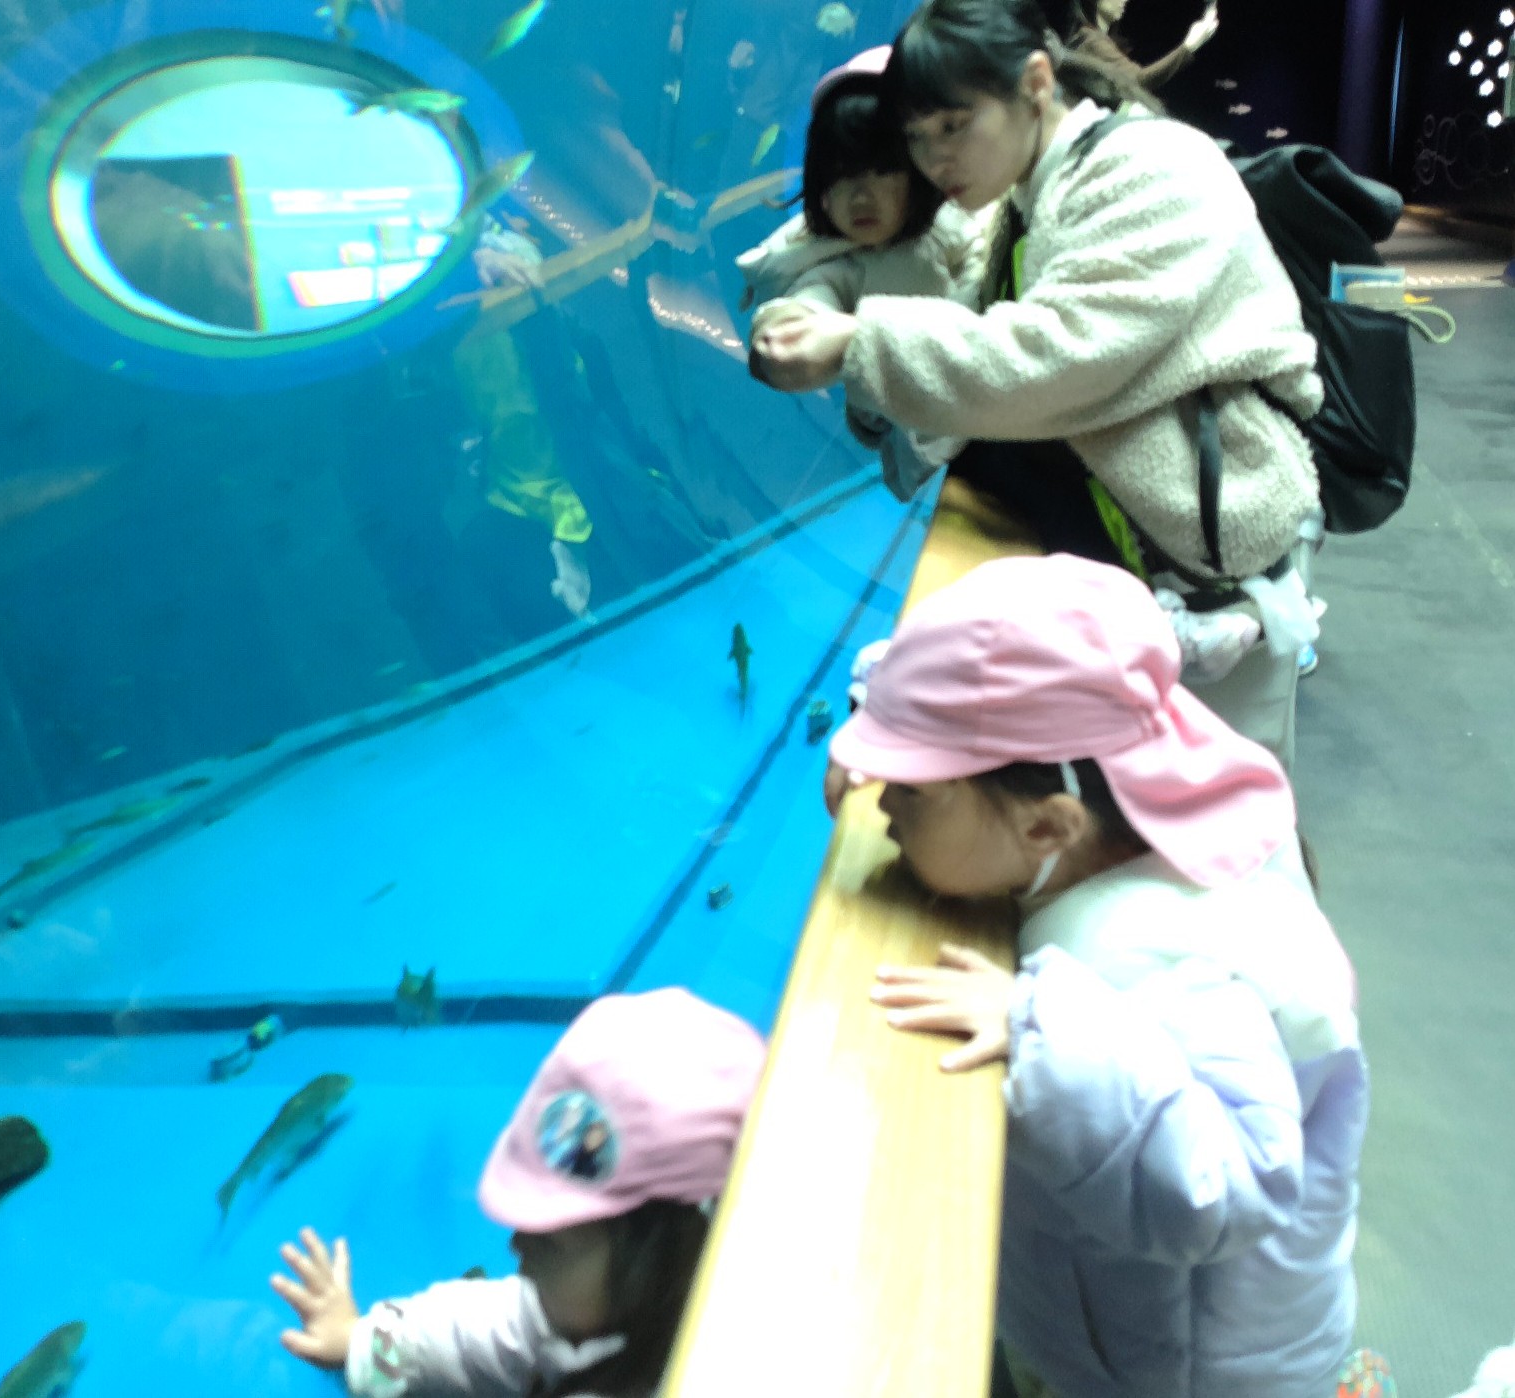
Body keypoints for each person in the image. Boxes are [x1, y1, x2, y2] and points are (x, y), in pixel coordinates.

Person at [822, 553, 1367, 1398]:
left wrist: (1045, 1034)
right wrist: (882, 720)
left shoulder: (1154, 959)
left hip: (1192, 1372)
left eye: (914, 790)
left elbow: (1245, 1177)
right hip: (1120, 1317)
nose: (882, 804)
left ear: (1048, 827)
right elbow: (980, 671)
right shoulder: (1156, 762)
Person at [751, 0, 1321, 766]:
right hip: (1132, 556)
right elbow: (851, 250)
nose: (934, 161)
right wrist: (804, 302)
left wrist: (860, 345)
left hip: (1215, 561)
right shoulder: (1026, 189)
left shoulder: (1150, 167)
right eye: (915, 139)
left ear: (1036, 83)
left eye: (953, 126)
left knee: (1214, 805)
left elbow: (1064, 357)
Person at [270, 987, 765, 1398]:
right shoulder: (590, 1312)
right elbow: (466, 1337)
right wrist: (359, 1345)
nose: (515, 1245)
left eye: (550, 1241)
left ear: (658, 1257)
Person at [741, 45, 985, 499]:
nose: (860, 196)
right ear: (820, 189)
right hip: (937, 446)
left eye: (885, 169)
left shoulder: (967, 221)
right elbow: (809, 300)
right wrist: (786, 332)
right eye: (841, 174)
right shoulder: (842, 265)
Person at [1060, 0, 1220, 95]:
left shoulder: (1098, 36)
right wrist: (1189, 46)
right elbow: (1138, 81)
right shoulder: (1090, 40)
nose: (1125, 0)